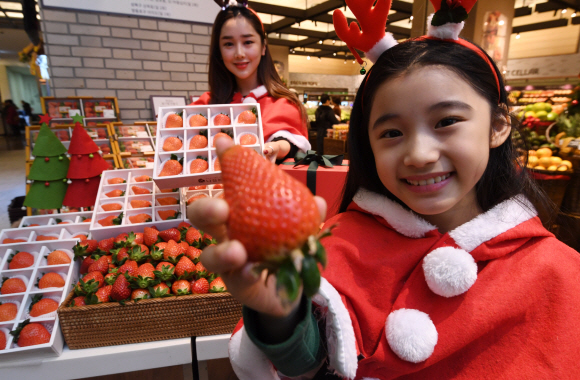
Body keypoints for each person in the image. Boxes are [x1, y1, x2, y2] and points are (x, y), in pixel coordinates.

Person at [188, 1, 580, 378]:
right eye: (392, 132)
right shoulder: (338, 245)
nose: (420, 154)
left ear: (498, 125)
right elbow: (312, 365)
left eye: (446, 121)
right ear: (368, 145)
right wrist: (281, 316)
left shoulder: (559, 274)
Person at [194, 1, 310, 164]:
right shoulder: (206, 104)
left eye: (248, 42)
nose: (239, 53)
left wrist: (276, 146)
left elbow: (289, 142)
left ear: (263, 46)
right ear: (219, 51)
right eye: (228, 44)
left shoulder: (284, 104)